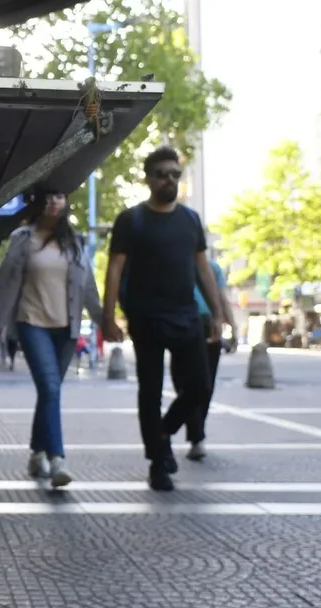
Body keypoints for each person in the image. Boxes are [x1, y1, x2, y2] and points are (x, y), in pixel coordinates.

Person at [102, 146, 224, 491]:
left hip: (187, 316)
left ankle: (164, 431)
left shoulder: (190, 220)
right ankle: (157, 463)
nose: (169, 180)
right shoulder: (131, 220)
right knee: (150, 391)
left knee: (200, 386)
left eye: (175, 174)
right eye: (161, 174)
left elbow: (203, 269)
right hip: (146, 318)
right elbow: (115, 270)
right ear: (148, 179)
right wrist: (108, 317)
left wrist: (217, 313)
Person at [0, 185, 103, 487]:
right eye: (48, 197)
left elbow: (87, 286)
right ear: (38, 204)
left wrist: (104, 320)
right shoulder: (23, 238)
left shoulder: (75, 241)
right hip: (31, 322)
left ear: (66, 202)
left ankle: (37, 453)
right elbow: (4, 283)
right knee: (50, 388)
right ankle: (57, 458)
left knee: (49, 392)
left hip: (67, 328)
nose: (54, 201)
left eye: (59, 196)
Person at [172, 257, 235, 461]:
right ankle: (196, 435)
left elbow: (222, 298)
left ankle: (196, 435)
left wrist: (232, 326)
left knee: (190, 382)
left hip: (193, 323)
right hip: (200, 323)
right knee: (202, 383)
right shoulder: (211, 266)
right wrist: (232, 326)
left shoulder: (209, 267)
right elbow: (222, 298)